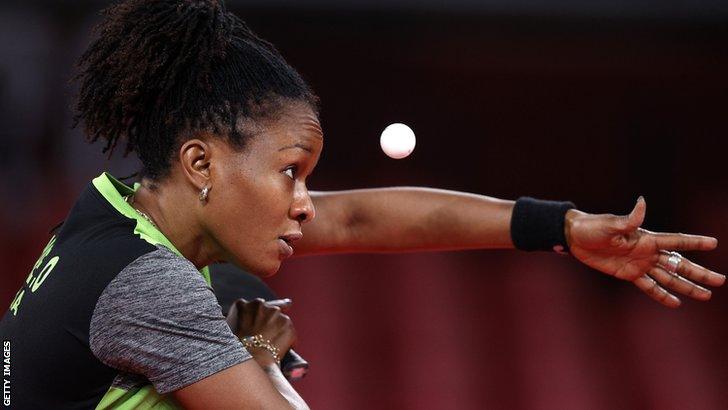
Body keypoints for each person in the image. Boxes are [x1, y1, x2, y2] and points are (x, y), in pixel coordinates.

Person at [0, 0, 724, 409]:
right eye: (290, 173)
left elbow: (360, 217)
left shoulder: (116, 214)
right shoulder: (151, 284)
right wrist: (259, 353)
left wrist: (558, 226)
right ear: (201, 162)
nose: (307, 203)